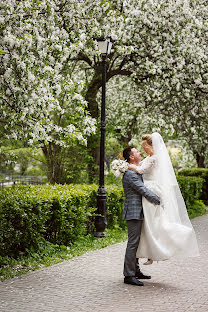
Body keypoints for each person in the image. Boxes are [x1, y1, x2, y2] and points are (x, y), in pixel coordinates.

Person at [128, 133, 199, 264]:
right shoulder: (150, 157)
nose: (143, 149)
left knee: (152, 223)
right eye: (142, 147)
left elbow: (141, 170)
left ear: (151, 146)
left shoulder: (153, 158)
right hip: (151, 189)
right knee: (152, 224)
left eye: (145, 146)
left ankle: (166, 244)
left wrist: (127, 166)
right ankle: (151, 252)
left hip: (151, 189)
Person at [122, 146, 161, 286]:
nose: (139, 152)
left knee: (137, 242)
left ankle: (136, 270)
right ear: (132, 157)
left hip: (140, 211)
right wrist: (158, 200)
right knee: (133, 243)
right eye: (137, 152)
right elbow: (143, 190)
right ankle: (128, 275)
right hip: (133, 212)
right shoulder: (130, 174)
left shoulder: (135, 171)